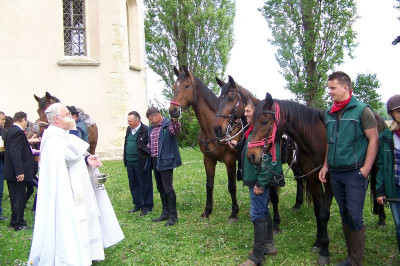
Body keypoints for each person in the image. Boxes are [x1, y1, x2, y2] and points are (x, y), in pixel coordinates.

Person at [28, 103, 124, 265]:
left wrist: (87, 158)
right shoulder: (51, 137)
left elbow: (76, 153)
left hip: (78, 186)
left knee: (87, 214)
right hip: (65, 191)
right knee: (71, 220)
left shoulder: (62, 133)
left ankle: (87, 252)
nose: (70, 117)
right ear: (56, 119)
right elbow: (69, 156)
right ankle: (71, 256)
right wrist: (73, 130)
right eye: (66, 114)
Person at [319, 71, 379, 266]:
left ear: (345, 87)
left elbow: (373, 139)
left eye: (332, 87)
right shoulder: (329, 114)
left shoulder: (362, 110)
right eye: (328, 88)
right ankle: (351, 257)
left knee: (354, 215)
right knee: (345, 214)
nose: (329, 91)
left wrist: (366, 169)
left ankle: (356, 261)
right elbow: (330, 141)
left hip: (355, 173)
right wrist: (326, 165)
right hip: (336, 174)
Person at [229, 100, 284, 266]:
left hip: (259, 179)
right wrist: (238, 145)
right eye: (244, 111)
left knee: (257, 213)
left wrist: (261, 183)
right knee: (263, 210)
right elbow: (252, 151)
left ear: (258, 112)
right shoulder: (252, 131)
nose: (244, 114)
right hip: (254, 176)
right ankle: (269, 245)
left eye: (248, 111)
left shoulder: (266, 131)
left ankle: (257, 257)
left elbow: (271, 158)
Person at [146, 107, 181, 226]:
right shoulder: (151, 128)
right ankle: (165, 213)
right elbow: (151, 143)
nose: (150, 122)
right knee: (160, 188)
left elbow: (175, 130)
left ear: (157, 115)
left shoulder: (168, 125)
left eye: (151, 119)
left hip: (166, 161)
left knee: (168, 188)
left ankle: (173, 216)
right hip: (155, 161)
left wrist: (175, 120)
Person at [376, 94, 400, 253]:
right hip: (395, 187)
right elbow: (381, 165)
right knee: (399, 225)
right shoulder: (385, 137)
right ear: (391, 114)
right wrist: (380, 190)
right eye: (397, 111)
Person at [3, 111, 35, 231]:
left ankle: (14, 220)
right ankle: (18, 223)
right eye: (26, 121)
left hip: (12, 172)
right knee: (18, 198)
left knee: (16, 197)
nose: (26, 123)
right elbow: (15, 153)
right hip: (16, 173)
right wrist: (19, 171)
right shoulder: (17, 132)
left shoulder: (11, 130)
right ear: (23, 119)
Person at [123, 111, 153, 216]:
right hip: (130, 162)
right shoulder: (128, 130)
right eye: (128, 120)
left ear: (137, 120)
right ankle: (138, 204)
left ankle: (147, 206)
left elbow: (150, 146)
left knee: (145, 184)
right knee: (133, 184)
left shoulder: (146, 130)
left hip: (141, 162)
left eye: (130, 121)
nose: (128, 123)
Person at [0, 111, 8, 221]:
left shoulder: (4, 132)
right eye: (2, 119)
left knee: (0, 189)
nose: (4, 121)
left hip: (0, 163)